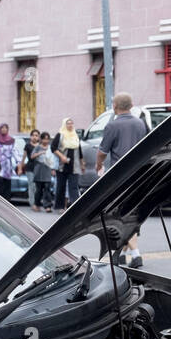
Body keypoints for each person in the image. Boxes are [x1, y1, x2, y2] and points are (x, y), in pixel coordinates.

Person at [95, 92, 149, 266]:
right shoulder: (141, 123)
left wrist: (98, 165)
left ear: (114, 107)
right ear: (131, 105)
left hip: (120, 177)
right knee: (132, 213)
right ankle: (122, 254)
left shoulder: (112, 126)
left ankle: (134, 254)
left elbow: (102, 152)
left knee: (121, 215)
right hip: (139, 176)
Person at [51, 118, 84, 210]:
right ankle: (60, 207)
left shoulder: (75, 136)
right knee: (61, 186)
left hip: (74, 166)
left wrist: (82, 164)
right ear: (64, 125)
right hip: (62, 165)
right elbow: (53, 148)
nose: (70, 125)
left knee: (73, 186)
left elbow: (79, 151)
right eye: (68, 123)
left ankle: (75, 207)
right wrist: (61, 156)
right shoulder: (60, 135)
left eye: (71, 123)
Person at [30, 130, 56, 213]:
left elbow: (53, 159)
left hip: (47, 170)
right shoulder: (38, 147)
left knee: (47, 189)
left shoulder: (50, 148)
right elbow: (32, 156)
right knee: (39, 190)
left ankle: (47, 206)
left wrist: (53, 169)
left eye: (47, 139)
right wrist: (40, 153)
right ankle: (36, 204)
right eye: (44, 139)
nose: (46, 141)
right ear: (41, 139)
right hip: (39, 170)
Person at [0, 124, 18, 201]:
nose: (4, 129)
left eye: (5, 128)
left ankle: (7, 201)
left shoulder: (11, 140)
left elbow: (15, 152)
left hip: (7, 166)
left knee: (7, 183)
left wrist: (19, 163)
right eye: (2, 128)